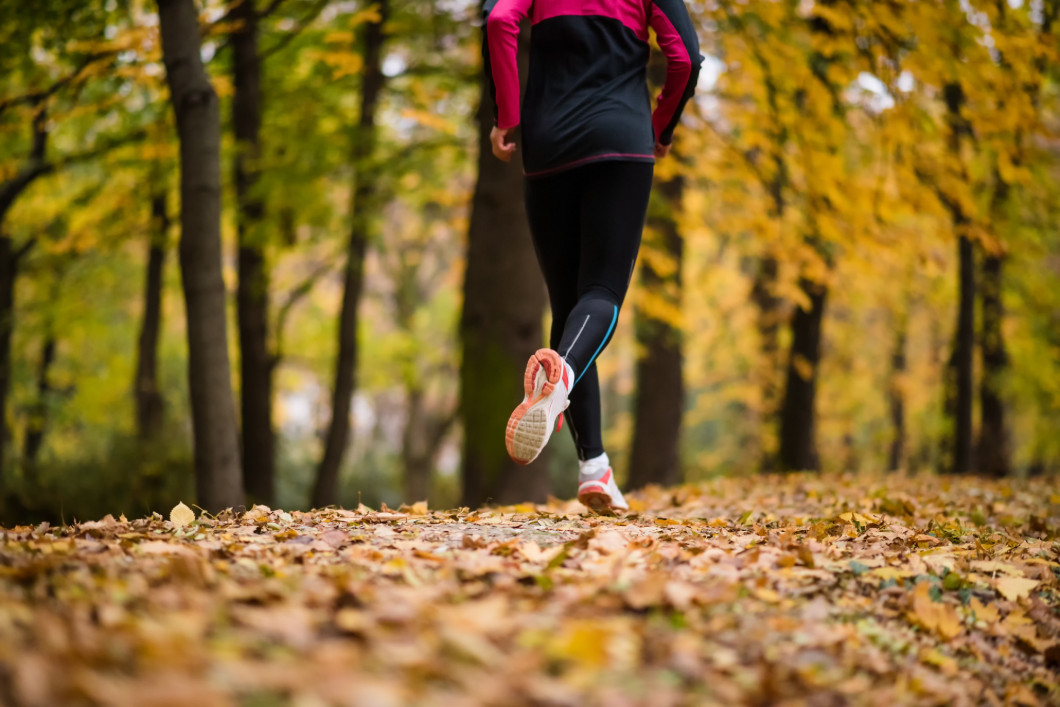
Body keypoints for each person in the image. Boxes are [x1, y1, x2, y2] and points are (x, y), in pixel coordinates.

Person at [483, 0, 701, 512]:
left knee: (568, 310)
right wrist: (661, 126)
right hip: (620, 141)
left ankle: (594, 469)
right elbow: (686, 59)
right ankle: (559, 381)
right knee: (600, 293)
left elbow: (498, 20)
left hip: (548, 145)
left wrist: (508, 119)